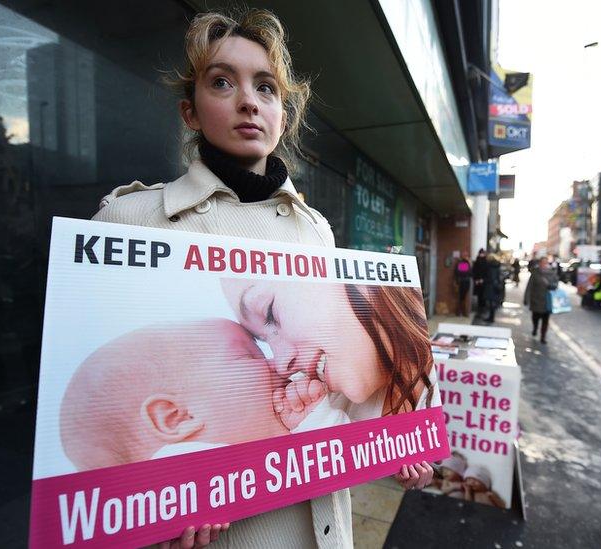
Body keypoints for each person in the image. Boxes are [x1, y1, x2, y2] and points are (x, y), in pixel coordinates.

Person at [92, 9, 431, 548]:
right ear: (190, 111)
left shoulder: (315, 229)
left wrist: (396, 444)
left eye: (267, 87)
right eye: (223, 82)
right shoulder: (131, 220)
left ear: (283, 114)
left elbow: (343, 415)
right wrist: (157, 519)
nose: (249, 100)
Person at [60, 319, 329, 472]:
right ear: (177, 418)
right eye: (248, 356)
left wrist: (310, 425)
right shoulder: (179, 479)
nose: (277, 363)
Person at [220, 280, 439, 422]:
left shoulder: (450, 390)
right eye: (262, 341)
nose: (281, 364)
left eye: (270, 313)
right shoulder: (320, 410)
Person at [526, 260, 558, 344]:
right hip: (536, 299)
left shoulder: (552, 273)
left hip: (547, 300)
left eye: (545, 263)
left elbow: (556, 285)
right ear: (539, 264)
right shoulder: (535, 273)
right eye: (542, 263)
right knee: (535, 317)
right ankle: (535, 328)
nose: (544, 265)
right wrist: (526, 298)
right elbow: (529, 286)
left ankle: (543, 336)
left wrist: (550, 285)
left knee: (545, 320)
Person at [482, 253, 503, 322]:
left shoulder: (490, 267)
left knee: (491, 303)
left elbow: (490, 277)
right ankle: (491, 317)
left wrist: (484, 280)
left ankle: (491, 318)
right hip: (495, 287)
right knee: (492, 303)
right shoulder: (497, 266)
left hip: (490, 287)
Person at [471, 248, 488, 314]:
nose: (481, 254)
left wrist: (483, 279)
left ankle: (482, 308)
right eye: (481, 253)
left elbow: (486, 272)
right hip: (478, 281)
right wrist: (476, 279)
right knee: (479, 296)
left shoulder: (485, 262)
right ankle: (480, 309)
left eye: (482, 253)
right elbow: (474, 271)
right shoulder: (477, 262)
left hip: (483, 282)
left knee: (483, 296)